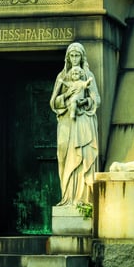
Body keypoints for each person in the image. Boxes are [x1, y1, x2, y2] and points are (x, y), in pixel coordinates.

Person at [50, 42, 100, 206]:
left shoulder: (87, 75)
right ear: (68, 58)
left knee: (83, 156)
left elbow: (96, 99)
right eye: (71, 55)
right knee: (64, 157)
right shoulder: (62, 77)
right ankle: (67, 197)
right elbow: (53, 102)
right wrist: (66, 96)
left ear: (82, 56)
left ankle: (82, 198)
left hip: (83, 120)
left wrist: (83, 101)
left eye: (77, 55)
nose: (74, 58)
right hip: (66, 122)